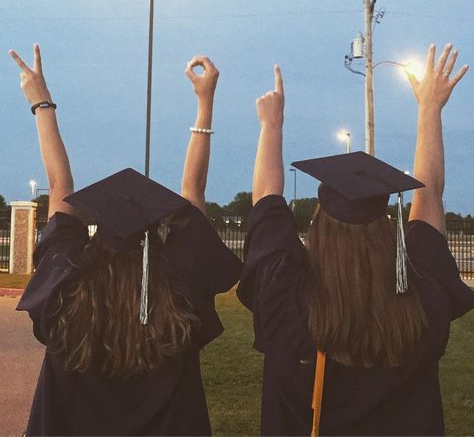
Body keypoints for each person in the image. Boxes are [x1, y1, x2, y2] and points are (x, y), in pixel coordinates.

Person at [237, 44, 474, 436]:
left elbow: (266, 202)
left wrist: (271, 125)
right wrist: (430, 109)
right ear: (385, 227)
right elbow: (429, 196)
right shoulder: (420, 303)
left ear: (319, 225)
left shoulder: (286, 300)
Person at [11, 45, 242, 436]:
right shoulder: (180, 295)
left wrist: (42, 104)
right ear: (154, 234)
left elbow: (58, 186)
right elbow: (193, 193)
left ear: (98, 232)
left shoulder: (64, 293)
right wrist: (205, 103)